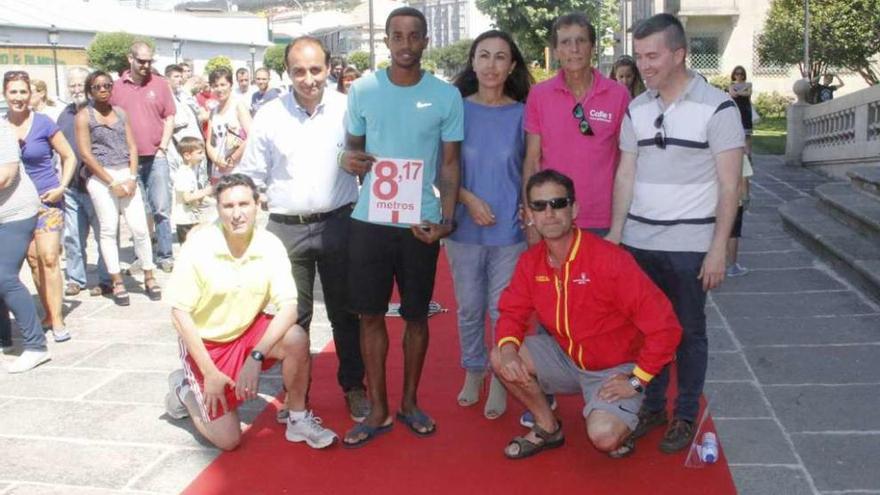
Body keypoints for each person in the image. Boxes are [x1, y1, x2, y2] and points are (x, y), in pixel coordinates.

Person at [606, 13, 744, 453]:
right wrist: (614, 234)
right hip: (639, 243)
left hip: (689, 246)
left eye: (653, 55)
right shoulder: (637, 107)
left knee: (688, 332)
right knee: (649, 331)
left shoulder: (718, 107)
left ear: (679, 53)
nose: (644, 65)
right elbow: (626, 174)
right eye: (640, 56)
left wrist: (718, 249)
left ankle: (685, 414)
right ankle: (652, 407)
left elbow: (730, 185)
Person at [491, 170, 681, 459]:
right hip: (566, 356)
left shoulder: (610, 260)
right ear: (529, 214)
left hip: (614, 369)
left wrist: (636, 379)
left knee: (604, 438)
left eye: (558, 203)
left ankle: (627, 417)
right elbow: (512, 312)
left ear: (574, 208)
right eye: (539, 206)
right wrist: (507, 350)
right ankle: (548, 426)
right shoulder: (531, 263)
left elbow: (666, 327)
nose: (549, 213)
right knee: (499, 355)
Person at [339, 6, 463, 447]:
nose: (406, 44)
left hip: (419, 224)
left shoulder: (446, 96)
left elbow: (449, 166)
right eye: (398, 36)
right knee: (369, 314)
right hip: (370, 221)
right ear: (387, 40)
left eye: (415, 36)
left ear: (426, 41)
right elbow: (351, 150)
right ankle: (378, 408)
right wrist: (347, 159)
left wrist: (446, 220)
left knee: (416, 315)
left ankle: (409, 402)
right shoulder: (363, 90)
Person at [239, 36, 367, 422]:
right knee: (293, 319)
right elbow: (250, 174)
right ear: (287, 72)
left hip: (340, 223)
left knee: (347, 313)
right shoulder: (270, 115)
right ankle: (298, 397)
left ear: (329, 68)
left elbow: (373, 158)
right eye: (299, 71)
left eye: (315, 69)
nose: (308, 78)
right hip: (286, 230)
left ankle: (354, 387)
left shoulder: (349, 109)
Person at [165, 173, 338, 451]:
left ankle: (297, 418)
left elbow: (289, 307)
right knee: (229, 440)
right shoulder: (200, 246)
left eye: (244, 204)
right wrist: (209, 372)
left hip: (247, 333)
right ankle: (183, 388)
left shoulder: (270, 244)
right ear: (218, 209)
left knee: (295, 337)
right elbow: (179, 314)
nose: (237, 214)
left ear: (258, 205)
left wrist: (256, 356)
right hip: (207, 346)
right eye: (228, 207)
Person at [447, 30, 532, 420]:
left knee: (502, 310)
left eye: (501, 57)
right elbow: (439, 168)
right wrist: (467, 198)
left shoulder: (523, 113)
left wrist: (527, 206)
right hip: (463, 228)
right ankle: (473, 369)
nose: (492, 65)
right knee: (468, 308)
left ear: (512, 65)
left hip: (509, 233)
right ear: (473, 62)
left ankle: (500, 374)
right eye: (484, 56)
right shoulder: (456, 109)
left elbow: (531, 168)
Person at [523, 13, 630, 239]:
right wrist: (532, 218)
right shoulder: (539, 95)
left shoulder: (618, 95)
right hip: (552, 217)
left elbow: (628, 162)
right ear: (555, 51)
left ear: (592, 47)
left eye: (581, 41)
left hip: (604, 219)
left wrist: (620, 224)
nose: (574, 49)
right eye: (565, 42)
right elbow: (532, 161)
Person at [76, 70, 162, 306]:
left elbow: (132, 146)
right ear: (90, 90)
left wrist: (132, 177)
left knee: (140, 228)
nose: (103, 90)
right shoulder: (84, 116)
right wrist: (111, 182)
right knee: (108, 229)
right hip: (101, 176)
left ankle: (149, 274)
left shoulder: (121, 113)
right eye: (97, 87)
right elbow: (85, 154)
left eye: (107, 86)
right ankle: (117, 280)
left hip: (126, 171)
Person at [4, 70, 76, 343]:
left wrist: (61, 185)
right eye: (14, 92)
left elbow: (68, 156)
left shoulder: (44, 123)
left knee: (48, 257)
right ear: (5, 95)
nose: (19, 97)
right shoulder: (1, 127)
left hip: (47, 200)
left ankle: (57, 320)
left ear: (31, 94)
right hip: (15, 205)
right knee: (33, 261)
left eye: (23, 92)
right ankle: (47, 312)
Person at [110, 41, 176, 273]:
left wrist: (164, 147)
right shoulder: (116, 87)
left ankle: (166, 255)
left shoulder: (160, 85)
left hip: (156, 156)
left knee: (160, 208)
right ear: (130, 59)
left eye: (149, 61)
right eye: (141, 61)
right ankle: (143, 257)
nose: (146, 66)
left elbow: (169, 117)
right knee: (136, 212)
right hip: (129, 160)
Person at [0, 117, 52, 373]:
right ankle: (4, 339)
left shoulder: (2, 130)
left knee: (4, 276)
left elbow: (5, 176)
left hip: (15, 212)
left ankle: (36, 346)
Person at [57, 67, 112, 298]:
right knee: (73, 237)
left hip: (96, 185)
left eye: (80, 85)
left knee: (104, 235)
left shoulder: (99, 112)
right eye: (72, 85)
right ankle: (75, 279)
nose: (76, 89)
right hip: (71, 187)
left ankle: (106, 279)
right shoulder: (64, 115)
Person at [205, 68, 252, 181]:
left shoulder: (238, 106)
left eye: (223, 85)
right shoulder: (213, 111)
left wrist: (232, 158)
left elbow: (252, 136)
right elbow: (209, 143)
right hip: (218, 169)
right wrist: (216, 160)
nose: (219, 89)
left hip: (237, 168)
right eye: (215, 86)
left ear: (230, 85)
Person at [171, 137, 214, 244]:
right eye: (199, 153)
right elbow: (187, 197)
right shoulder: (183, 173)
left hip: (192, 218)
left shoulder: (190, 171)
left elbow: (195, 195)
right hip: (185, 221)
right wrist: (207, 190)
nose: (203, 156)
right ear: (187, 155)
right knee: (188, 251)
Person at [726, 154, 753, 278]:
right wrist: (746, 198)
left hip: (712, 198)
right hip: (733, 200)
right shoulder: (740, 155)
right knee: (733, 234)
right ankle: (732, 266)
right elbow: (744, 179)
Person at [728, 65, 752, 156]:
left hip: (746, 110)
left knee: (747, 134)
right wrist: (742, 92)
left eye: (741, 74)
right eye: (737, 73)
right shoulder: (731, 85)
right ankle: (737, 153)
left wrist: (738, 92)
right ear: (734, 75)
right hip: (735, 111)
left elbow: (748, 93)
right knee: (735, 133)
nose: (739, 75)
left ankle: (748, 154)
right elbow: (732, 94)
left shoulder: (748, 84)